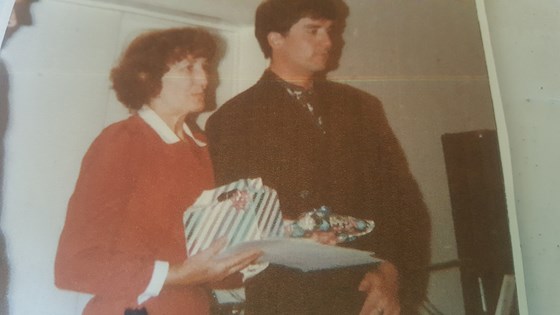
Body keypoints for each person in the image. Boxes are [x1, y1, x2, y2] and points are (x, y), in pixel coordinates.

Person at [205, 0, 431, 314]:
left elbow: (404, 203)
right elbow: (239, 224)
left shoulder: (362, 107)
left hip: (373, 294)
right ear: (276, 39)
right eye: (313, 31)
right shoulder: (233, 119)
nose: (328, 42)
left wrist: (391, 273)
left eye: (329, 31)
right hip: (292, 299)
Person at [54, 27, 262, 315]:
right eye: (188, 68)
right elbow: (74, 266)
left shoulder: (200, 147)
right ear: (146, 78)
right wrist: (177, 274)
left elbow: (205, 267)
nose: (204, 79)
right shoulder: (122, 142)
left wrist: (256, 254)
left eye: (204, 67)